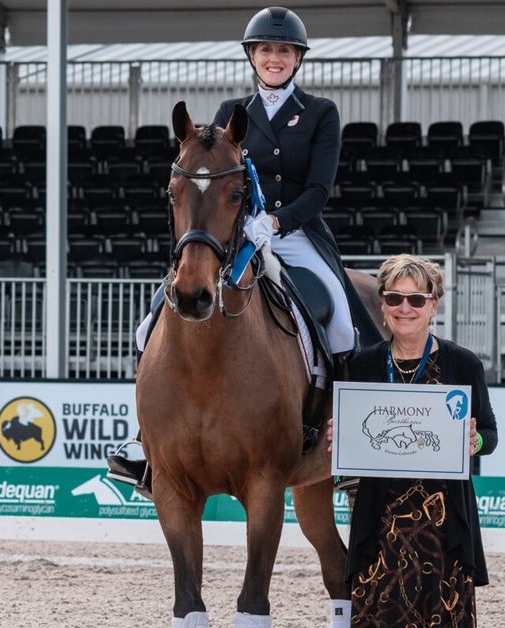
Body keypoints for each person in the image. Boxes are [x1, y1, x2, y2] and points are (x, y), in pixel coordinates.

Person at [108, 6, 378, 497]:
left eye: (284, 51)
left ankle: (353, 446)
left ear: (297, 59)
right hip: (236, 235)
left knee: (340, 319)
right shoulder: (232, 113)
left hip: (295, 233)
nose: (274, 58)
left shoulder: (320, 113)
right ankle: (146, 443)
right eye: (265, 50)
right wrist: (236, 227)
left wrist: (274, 220)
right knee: (151, 319)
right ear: (252, 56)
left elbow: (319, 189)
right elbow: (212, 180)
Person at [332, 254, 498, 627]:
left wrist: (475, 443)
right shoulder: (363, 365)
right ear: (383, 304)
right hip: (380, 524)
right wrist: (339, 435)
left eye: (416, 299)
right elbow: (353, 432)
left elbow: (490, 433)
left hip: (442, 529)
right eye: (394, 298)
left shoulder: (463, 364)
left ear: (433, 305)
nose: (404, 308)